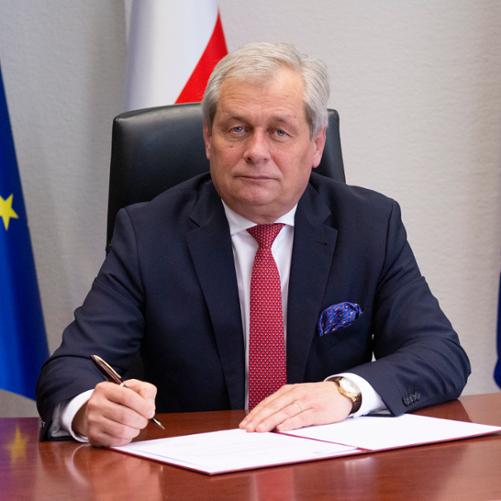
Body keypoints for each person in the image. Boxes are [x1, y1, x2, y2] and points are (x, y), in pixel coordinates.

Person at [37, 42, 470, 447]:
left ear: (316, 145)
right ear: (209, 139)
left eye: (279, 131)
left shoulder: (370, 225)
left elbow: (440, 354)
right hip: (192, 468)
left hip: (326, 466)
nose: (256, 151)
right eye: (237, 129)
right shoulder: (148, 233)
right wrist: (87, 410)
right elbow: (70, 367)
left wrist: (346, 392)